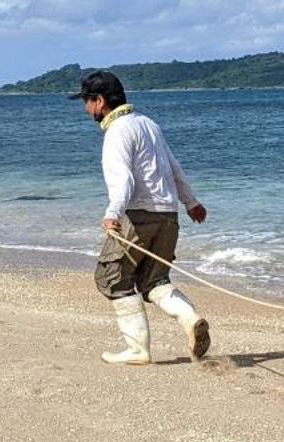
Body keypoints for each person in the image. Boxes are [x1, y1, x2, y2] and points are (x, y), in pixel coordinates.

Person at [79, 70, 211, 365]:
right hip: (168, 216)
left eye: (87, 102)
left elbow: (123, 180)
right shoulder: (149, 124)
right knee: (154, 281)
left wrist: (112, 214)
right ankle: (191, 319)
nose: (86, 109)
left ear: (99, 101)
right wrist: (191, 203)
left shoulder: (117, 132)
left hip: (139, 216)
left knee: (110, 277)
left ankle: (138, 349)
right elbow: (174, 168)